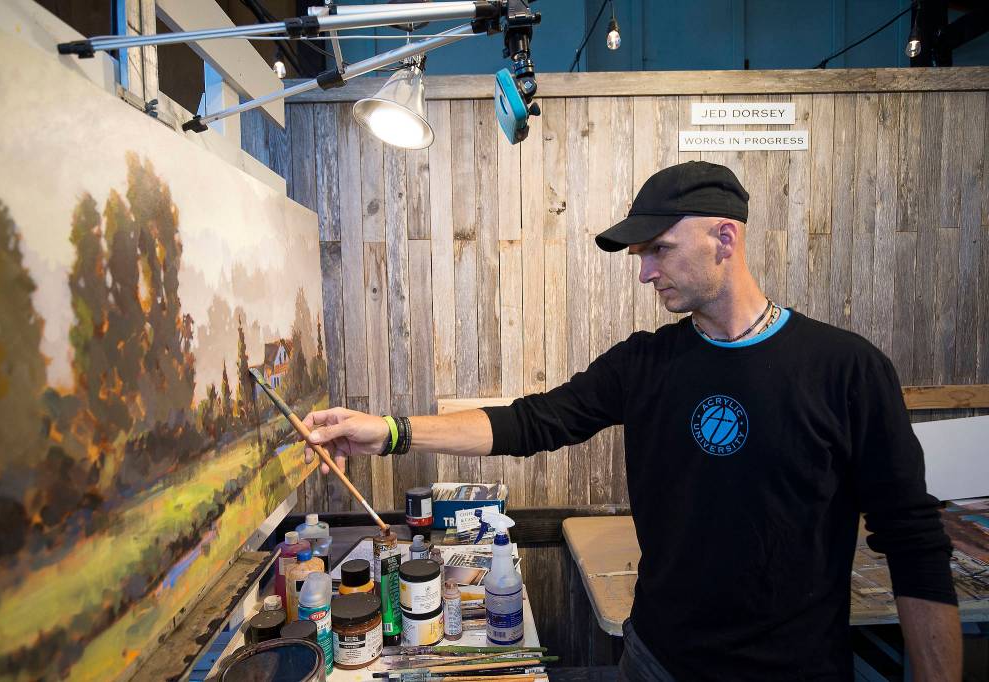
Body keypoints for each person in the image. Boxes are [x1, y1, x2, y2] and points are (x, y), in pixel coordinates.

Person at [303, 161, 961, 681]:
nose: (645, 273)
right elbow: (534, 422)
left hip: (796, 669)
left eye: (660, 250)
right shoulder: (647, 363)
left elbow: (914, 544)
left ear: (725, 238)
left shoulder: (844, 369)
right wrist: (389, 432)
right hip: (657, 661)